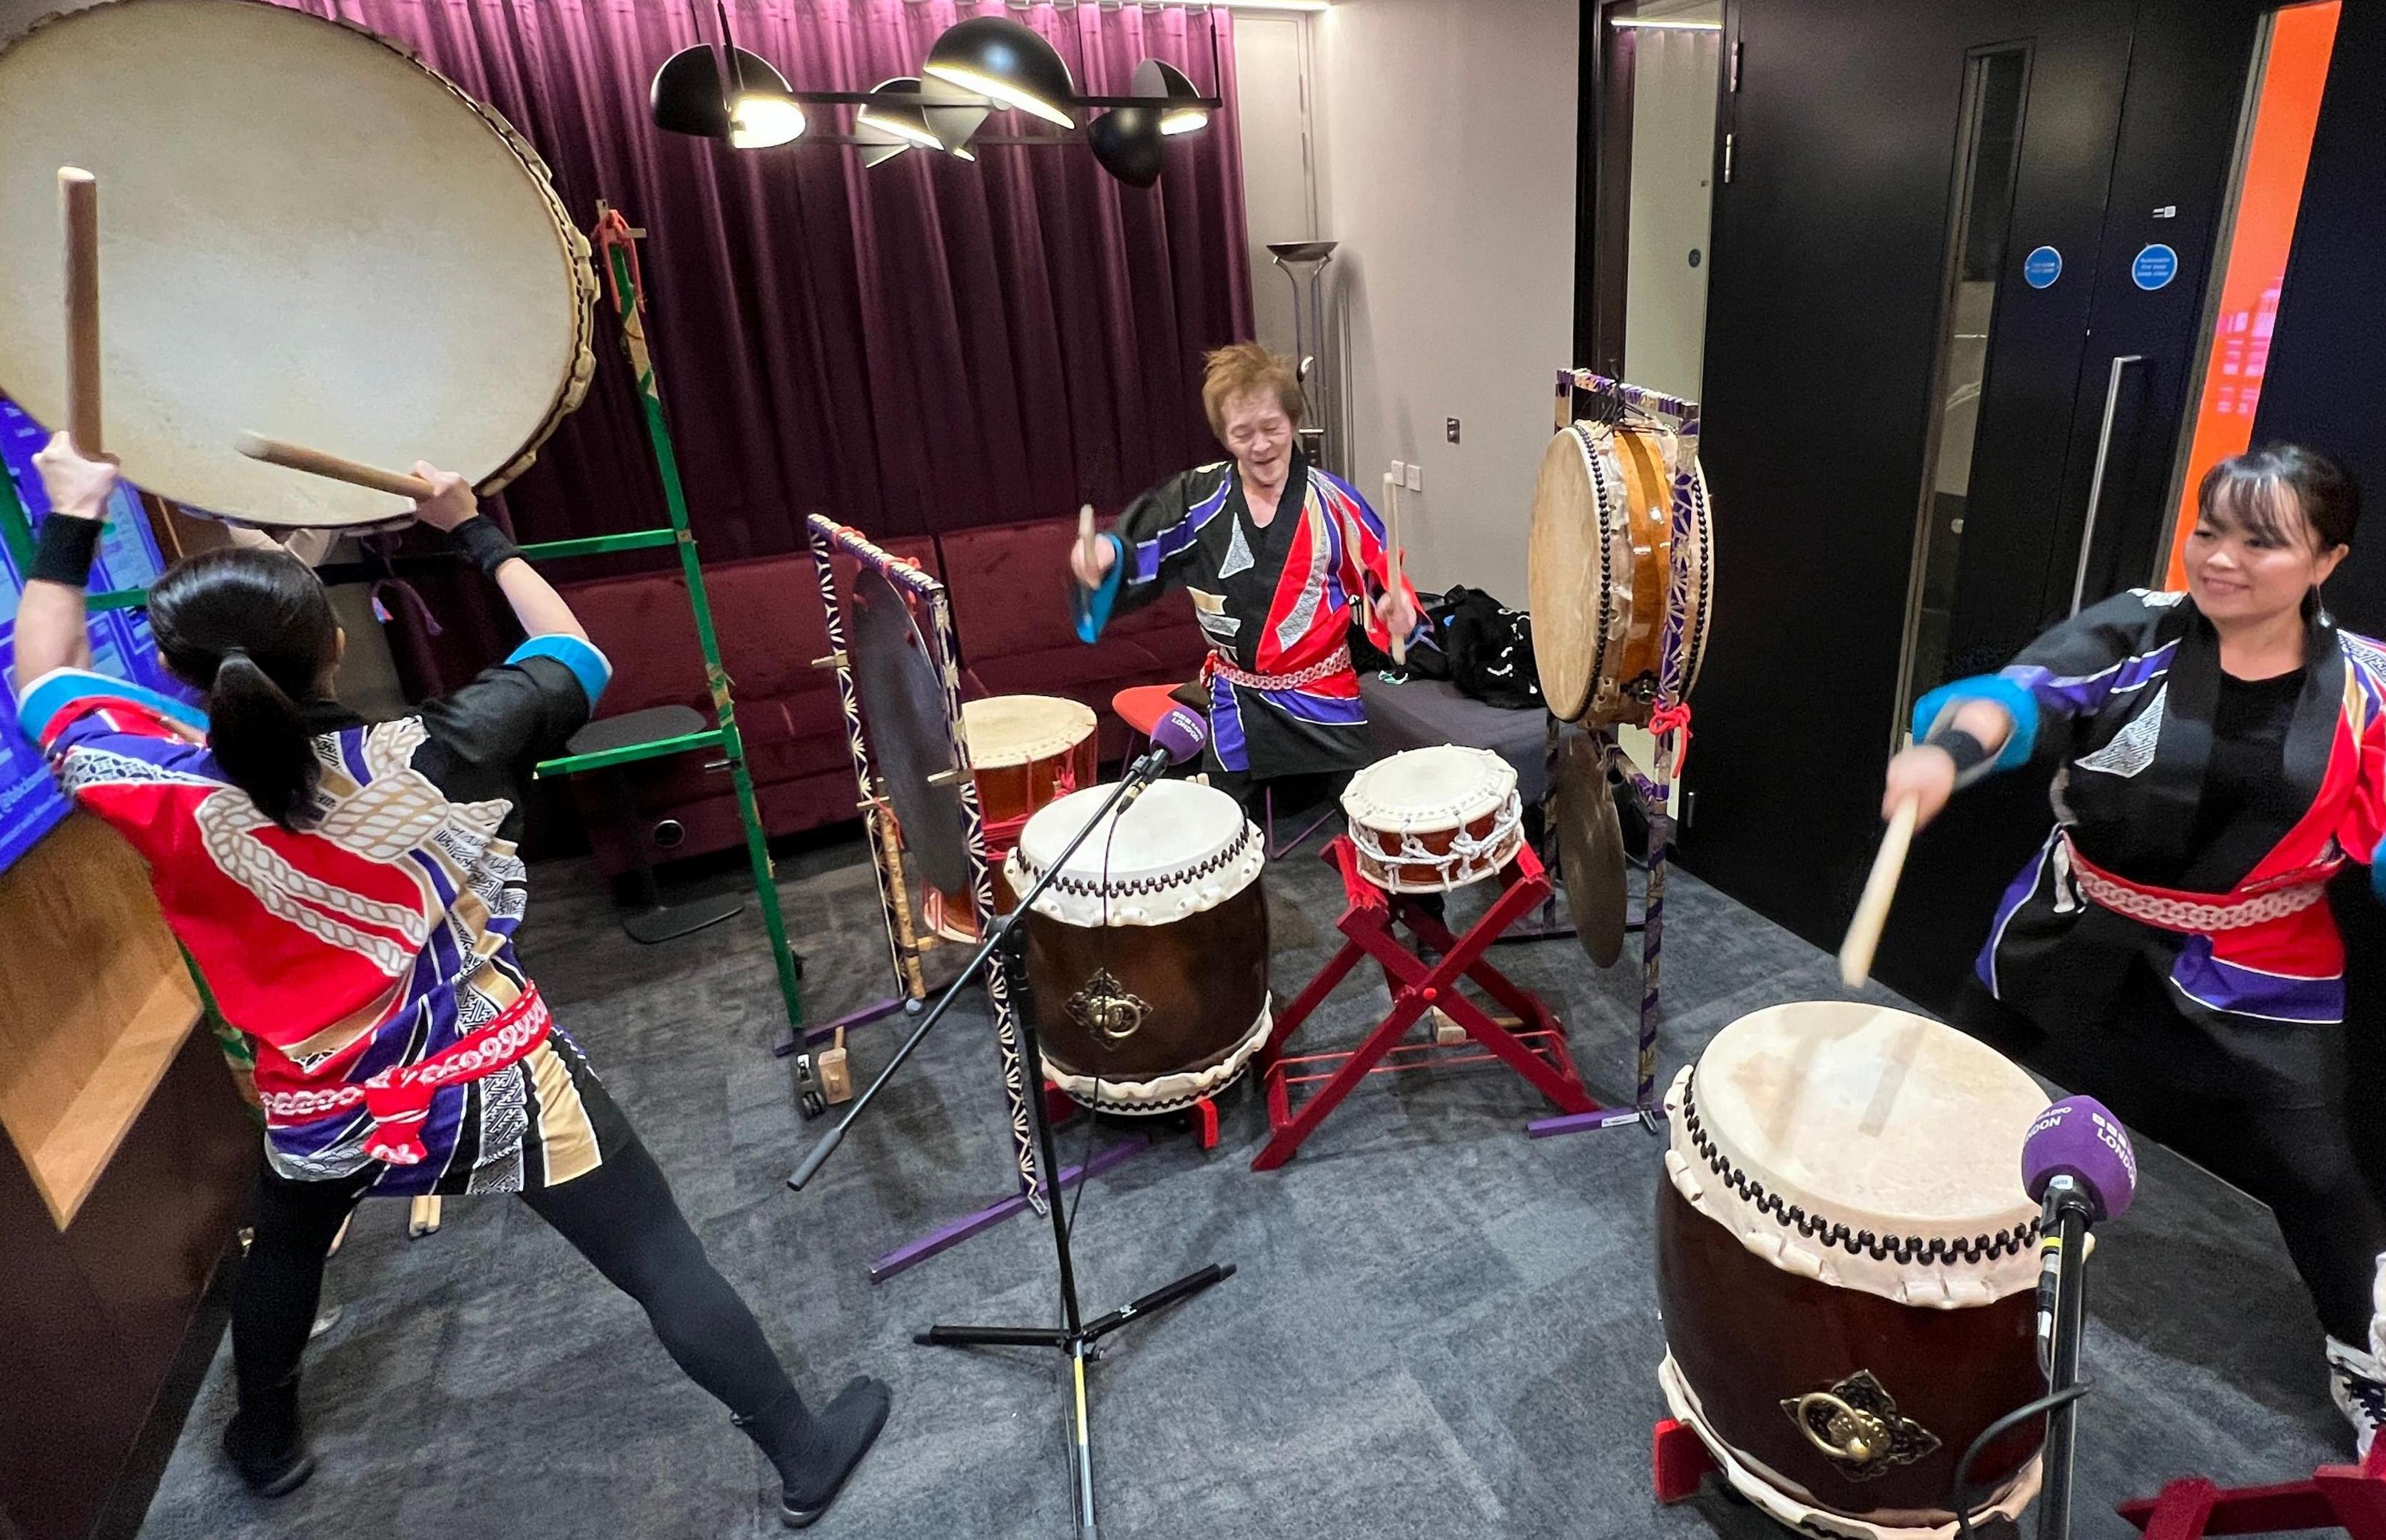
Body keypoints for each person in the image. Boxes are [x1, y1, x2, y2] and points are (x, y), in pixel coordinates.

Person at [11, 434, 889, 1527]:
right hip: (486, 1066)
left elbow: (42, 675)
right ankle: (800, 1451)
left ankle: (265, 1436)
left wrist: (74, 510)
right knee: (655, 1247)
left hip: (318, 1090)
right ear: (334, 643)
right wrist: (470, 526)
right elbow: (574, 651)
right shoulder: (431, 751)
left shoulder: (150, 783)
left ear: (178, 672)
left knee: (286, 1242)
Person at [1884, 444, 2386, 1453]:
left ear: (2328, 560)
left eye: (2262, 540)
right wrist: (1948, 751)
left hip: (2262, 958)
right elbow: (2024, 695)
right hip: (2077, 913)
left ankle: (2364, 1353)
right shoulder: (2135, 628)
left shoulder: (2378, 688)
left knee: (2314, 1168)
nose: (2221, 558)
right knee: (1965, 1070)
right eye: (2210, 529)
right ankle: (1903, 1250)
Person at [1069, 342, 1428, 811]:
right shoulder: (1196, 499)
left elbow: (1384, 576)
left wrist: (1397, 609)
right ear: (1223, 436)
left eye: (1271, 428)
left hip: (1324, 696)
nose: (1260, 445)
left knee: (1371, 821)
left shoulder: (1335, 503)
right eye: (1242, 434)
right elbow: (1138, 544)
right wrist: (1105, 554)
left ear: (1293, 422)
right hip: (1237, 701)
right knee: (1225, 831)